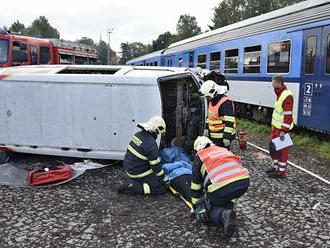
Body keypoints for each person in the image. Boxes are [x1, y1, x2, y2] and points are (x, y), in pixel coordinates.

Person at [191, 136, 250, 238]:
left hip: (221, 187)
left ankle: (223, 216)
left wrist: (197, 206)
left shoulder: (200, 157)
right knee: (228, 192)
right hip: (243, 182)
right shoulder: (223, 149)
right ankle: (228, 210)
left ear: (198, 150)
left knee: (208, 208)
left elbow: (196, 186)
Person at [118, 115, 170, 194]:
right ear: (157, 130)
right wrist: (164, 178)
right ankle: (134, 186)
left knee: (155, 178)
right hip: (138, 173)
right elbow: (155, 166)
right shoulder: (151, 144)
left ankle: (134, 181)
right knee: (161, 188)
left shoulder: (138, 135)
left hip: (128, 167)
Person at [267, 75, 294, 179]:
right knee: (272, 148)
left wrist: (283, 131)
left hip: (281, 130)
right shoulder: (280, 94)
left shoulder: (287, 96)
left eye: (273, 83)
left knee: (281, 151)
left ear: (278, 83)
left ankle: (281, 172)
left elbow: (288, 115)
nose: (272, 84)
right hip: (276, 128)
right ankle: (276, 167)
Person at [199, 76, 236, 149]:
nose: (207, 98)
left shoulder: (225, 103)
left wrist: (227, 137)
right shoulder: (212, 101)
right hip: (214, 136)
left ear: (214, 92)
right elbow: (209, 117)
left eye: (208, 96)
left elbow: (230, 121)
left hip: (223, 138)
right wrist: (206, 128)